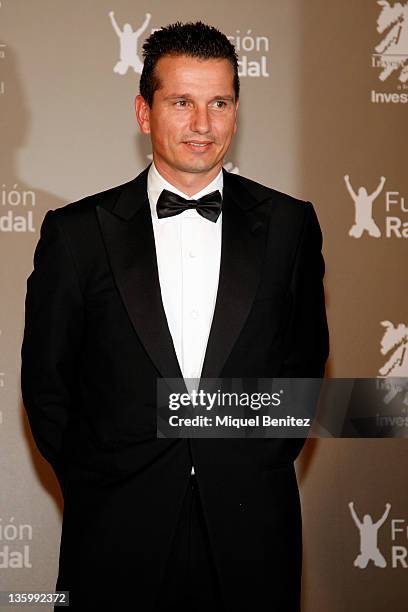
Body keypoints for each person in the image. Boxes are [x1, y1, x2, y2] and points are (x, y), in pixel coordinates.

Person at [21, 21, 329, 612]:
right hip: (114, 532)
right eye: (182, 102)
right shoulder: (78, 234)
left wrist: (252, 463)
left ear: (236, 113)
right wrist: (100, 480)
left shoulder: (290, 227)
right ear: (144, 112)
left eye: (219, 103)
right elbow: (47, 384)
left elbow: (305, 368)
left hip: (250, 531)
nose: (202, 124)